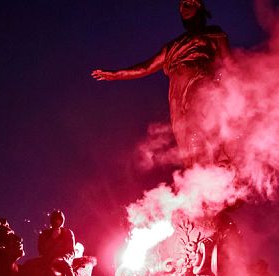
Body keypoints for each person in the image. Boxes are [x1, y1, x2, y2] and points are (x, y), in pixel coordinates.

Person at [91, 0, 231, 166]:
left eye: (188, 4)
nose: (183, 9)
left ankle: (218, 166)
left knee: (202, 123)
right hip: (177, 94)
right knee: (185, 134)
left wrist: (221, 86)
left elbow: (230, 64)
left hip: (202, 83)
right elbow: (146, 67)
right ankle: (197, 172)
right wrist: (115, 75)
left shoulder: (213, 34)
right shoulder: (172, 46)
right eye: (181, 7)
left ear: (199, 8)